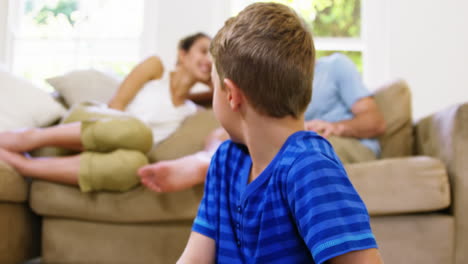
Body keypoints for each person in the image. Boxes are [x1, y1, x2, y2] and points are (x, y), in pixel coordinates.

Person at [177, 2, 384, 263]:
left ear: (231, 94)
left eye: (214, 86)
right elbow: (194, 258)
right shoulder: (225, 162)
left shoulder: (310, 167)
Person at [138, 55, 386, 193]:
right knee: (222, 135)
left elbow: (374, 121)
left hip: (343, 142)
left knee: (295, 146)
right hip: (296, 139)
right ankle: (205, 162)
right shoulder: (277, 85)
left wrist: (337, 127)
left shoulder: (335, 67)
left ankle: (217, 167)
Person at [0, 32, 213, 192]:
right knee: (139, 132)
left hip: (115, 153)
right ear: (182, 54)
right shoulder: (156, 68)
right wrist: (108, 141)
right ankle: (31, 137)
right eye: (203, 51)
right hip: (93, 120)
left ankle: (25, 166)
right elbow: (116, 105)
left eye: (214, 57)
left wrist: (217, 78)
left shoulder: (191, 110)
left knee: (136, 166)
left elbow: (224, 96)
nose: (208, 60)